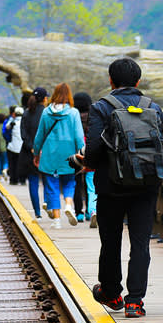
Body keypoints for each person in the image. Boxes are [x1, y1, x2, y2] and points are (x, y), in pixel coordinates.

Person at [78, 57, 163, 319]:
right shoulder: (152, 107)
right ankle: (135, 301)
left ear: (111, 80)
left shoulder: (101, 107)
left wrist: (89, 164)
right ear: (138, 81)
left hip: (110, 185)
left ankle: (112, 292)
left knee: (111, 242)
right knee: (140, 243)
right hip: (145, 186)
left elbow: (94, 147)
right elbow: (162, 145)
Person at [30, 83, 85, 229]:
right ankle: (68, 204)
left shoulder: (47, 112)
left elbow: (39, 136)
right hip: (69, 152)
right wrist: (81, 153)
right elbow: (79, 137)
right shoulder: (73, 113)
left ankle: (57, 220)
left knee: (52, 186)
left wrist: (36, 153)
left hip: (49, 153)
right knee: (70, 181)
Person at [20, 88, 48, 218]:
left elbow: (23, 134)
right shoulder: (46, 113)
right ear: (44, 99)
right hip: (45, 152)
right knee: (49, 180)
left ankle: (37, 212)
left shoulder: (26, 113)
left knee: (33, 182)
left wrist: (32, 148)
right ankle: (50, 206)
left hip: (29, 153)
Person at [72, 92, 97, 228]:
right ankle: (90, 211)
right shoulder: (93, 114)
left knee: (76, 182)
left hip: (76, 151)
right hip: (90, 150)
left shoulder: (72, 115)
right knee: (90, 182)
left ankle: (78, 213)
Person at [5, 106, 24, 185]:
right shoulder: (24, 121)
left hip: (12, 146)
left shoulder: (12, 121)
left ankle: (13, 179)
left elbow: (6, 127)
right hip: (22, 146)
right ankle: (22, 179)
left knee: (12, 164)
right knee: (21, 164)